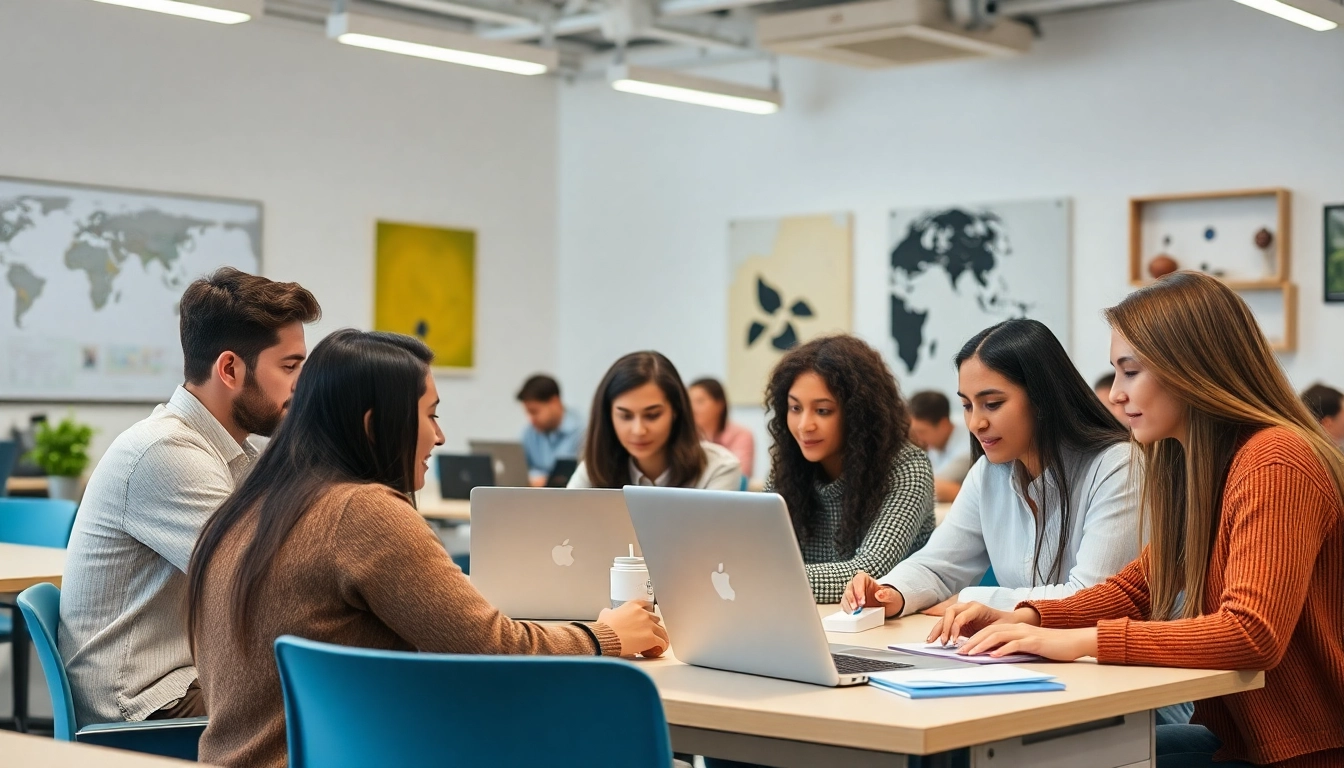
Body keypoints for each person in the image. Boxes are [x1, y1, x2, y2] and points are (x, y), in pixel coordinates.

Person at [188, 330, 668, 768]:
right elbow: (493, 650)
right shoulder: (362, 512)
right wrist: (606, 635)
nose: (439, 436)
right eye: (431, 414)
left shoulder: (248, 506)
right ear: (376, 425)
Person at [932, 273, 1344, 768]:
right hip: (1242, 739)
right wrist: (1027, 617)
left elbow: (1249, 633)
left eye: (1131, 372)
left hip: (1306, 748)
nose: (1116, 395)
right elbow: (1134, 589)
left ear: (1192, 369)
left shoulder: (1275, 460)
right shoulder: (1198, 465)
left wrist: (1079, 640)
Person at [59, 268, 320, 726]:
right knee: (335, 702)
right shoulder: (167, 453)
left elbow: (303, 541)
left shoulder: (234, 451)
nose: (303, 385)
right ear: (230, 369)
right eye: (290, 366)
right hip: (143, 702)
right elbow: (263, 588)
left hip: (188, 676)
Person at [841, 319, 1139, 618]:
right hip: (1018, 654)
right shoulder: (989, 472)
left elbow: (1092, 598)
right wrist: (889, 593)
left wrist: (973, 600)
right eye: (968, 406)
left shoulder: (1117, 466)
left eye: (992, 404)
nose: (975, 424)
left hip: (1099, 659)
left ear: (1043, 398)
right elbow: (938, 564)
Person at [764, 335, 935, 604]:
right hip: (803, 621)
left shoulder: (907, 468)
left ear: (858, 414)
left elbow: (870, 572)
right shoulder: (787, 468)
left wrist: (763, 579)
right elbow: (760, 556)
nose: (804, 425)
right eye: (795, 408)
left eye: (822, 410)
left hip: (885, 633)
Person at [568, 352, 741, 491]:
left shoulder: (718, 469)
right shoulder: (595, 469)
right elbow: (566, 529)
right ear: (608, 416)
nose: (638, 430)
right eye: (625, 416)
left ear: (676, 411)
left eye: (652, 415)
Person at [516, 374, 584, 486]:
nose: (531, 419)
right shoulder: (529, 432)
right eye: (528, 413)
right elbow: (518, 470)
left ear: (554, 402)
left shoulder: (583, 431)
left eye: (534, 412)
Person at [907, 390, 972, 502]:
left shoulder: (967, 448)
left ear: (943, 424)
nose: (917, 438)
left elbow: (934, 486)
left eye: (921, 431)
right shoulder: (935, 445)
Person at [689, 377, 755, 478]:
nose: (693, 408)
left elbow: (740, 475)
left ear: (720, 404)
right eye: (689, 402)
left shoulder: (740, 435)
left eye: (700, 401)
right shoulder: (686, 435)